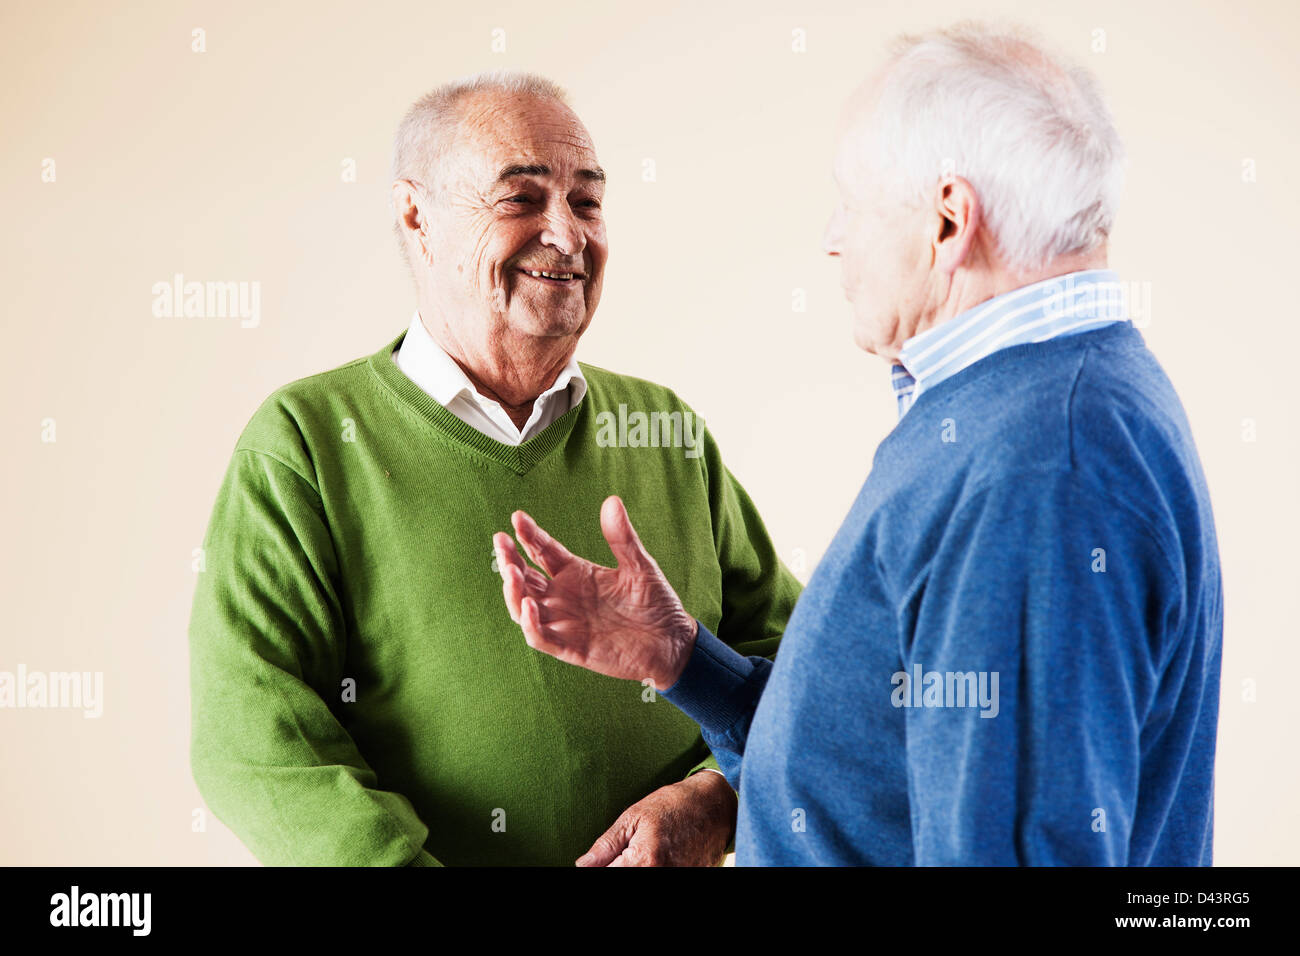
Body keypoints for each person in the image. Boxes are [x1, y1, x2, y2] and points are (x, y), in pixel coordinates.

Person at [493, 23, 1223, 866]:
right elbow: (885, 774)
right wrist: (683, 659)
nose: (833, 238)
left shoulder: (1033, 464)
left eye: (854, 201)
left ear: (949, 221)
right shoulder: (1036, 404)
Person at [188, 71, 800, 866]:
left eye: (587, 202)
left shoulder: (665, 429)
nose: (568, 235)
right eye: (521, 199)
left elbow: (793, 665)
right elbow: (255, 742)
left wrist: (719, 792)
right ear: (417, 217)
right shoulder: (303, 444)